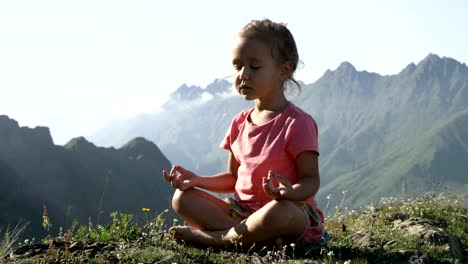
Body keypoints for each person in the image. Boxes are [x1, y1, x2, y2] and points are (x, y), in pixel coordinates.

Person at [162, 18, 326, 249]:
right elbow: (234, 179)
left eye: (255, 67)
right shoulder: (239, 122)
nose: (243, 74)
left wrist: (289, 192)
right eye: (237, 66)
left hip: (288, 213)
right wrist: (198, 181)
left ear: (284, 70)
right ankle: (253, 241)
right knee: (182, 199)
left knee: (279, 213)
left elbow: (311, 180)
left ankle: (216, 239)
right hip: (242, 215)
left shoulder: (297, 123)